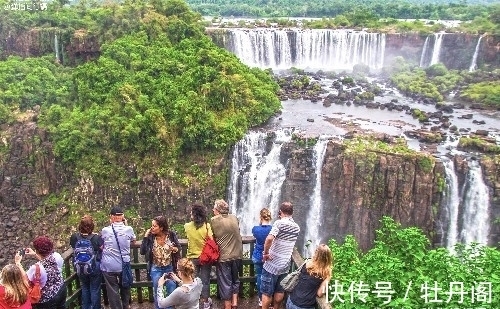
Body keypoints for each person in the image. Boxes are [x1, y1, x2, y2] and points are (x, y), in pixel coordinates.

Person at [261, 202, 300, 309]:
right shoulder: (297, 227)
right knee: (279, 290)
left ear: (280, 212)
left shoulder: (279, 223)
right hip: (285, 265)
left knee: (266, 293)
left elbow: (269, 238)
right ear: (292, 213)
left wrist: (266, 253)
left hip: (272, 264)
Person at [140, 215, 181, 309]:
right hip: (156, 268)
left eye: (154, 226)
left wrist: (173, 248)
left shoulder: (171, 235)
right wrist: (145, 236)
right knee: (158, 291)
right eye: (152, 226)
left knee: (171, 290)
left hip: (169, 267)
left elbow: (178, 248)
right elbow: (142, 251)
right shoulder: (150, 237)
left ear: (161, 227)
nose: (152, 228)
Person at [100, 206, 136, 309]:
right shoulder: (129, 229)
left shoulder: (105, 230)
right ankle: (126, 305)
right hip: (123, 264)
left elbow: (102, 242)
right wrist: (126, 224)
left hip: (108, 265)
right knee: (125, 285)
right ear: (122, 216)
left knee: (112, 289)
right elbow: (133, 240)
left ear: (111, 217)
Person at [211, 199, 243, 309]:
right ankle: (234, 303)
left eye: (214, 209)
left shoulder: (214, 220)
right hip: (238, 254)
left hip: (224, 256)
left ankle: (228, 306)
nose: (213, 210)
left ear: (218, 210)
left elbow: (211, 236)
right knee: (235, 279)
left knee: (225, 282)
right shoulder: (234, 218)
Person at [69, 215, 104, 309]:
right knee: (95, 288)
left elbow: (73, 247)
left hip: (80, 266)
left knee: (85, 287)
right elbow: (102, 248)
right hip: (94, 266)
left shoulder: (74, 237)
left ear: (80, 226)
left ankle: (86, 307)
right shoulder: (96, 237)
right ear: (92, 226)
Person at [24, 236, 67, 309]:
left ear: (37, 250)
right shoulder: (57, 256)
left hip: (47, 299)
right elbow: (47, 262)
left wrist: (18, 263)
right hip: (61, 289)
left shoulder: (36, 268)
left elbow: (25, 279)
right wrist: (35, 254)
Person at [184, 203, 214, 309]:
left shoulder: (187, 226)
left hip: (192, 257)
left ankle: (194, 303)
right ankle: (206, 302)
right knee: (205, 280)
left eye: (192, 212)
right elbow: (211, 239)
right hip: (205, 257)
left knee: (192, 281)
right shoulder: (207, 226)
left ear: (194, 214)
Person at [286, 244, 332, 309]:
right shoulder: (325, 273)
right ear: (328, 257)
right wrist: (328, 278)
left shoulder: (307, 263)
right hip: (304, 305)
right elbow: (319, 293)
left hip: (291, 300)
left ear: (316, 252)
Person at [251, 208, 272, 307]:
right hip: (268, 257)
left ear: (260, 217)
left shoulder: (256, 229)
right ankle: (268, 298)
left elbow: (256, 235)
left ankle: (260, 299)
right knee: (269, 278)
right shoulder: (272, 229)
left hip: (258, 256)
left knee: (259, 276)